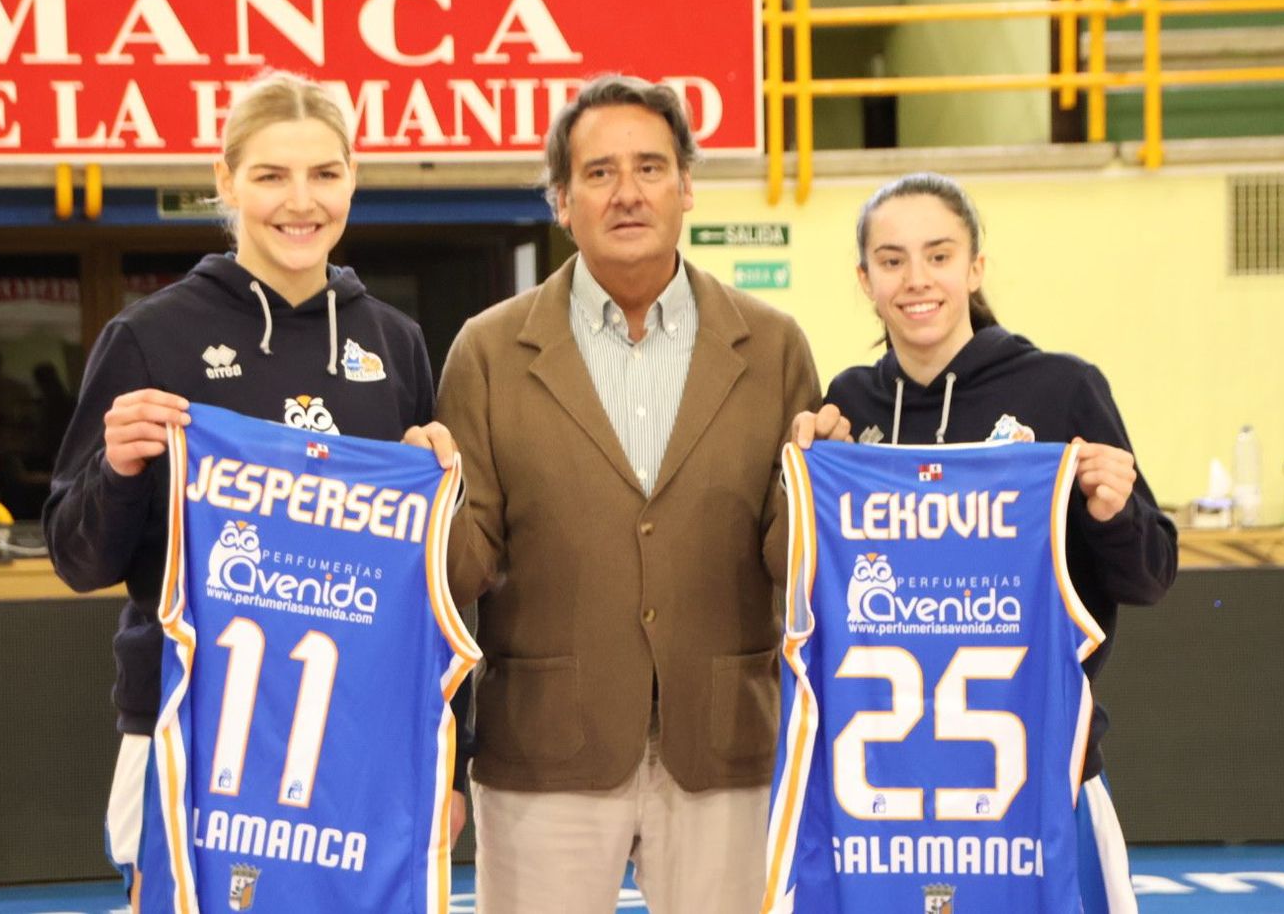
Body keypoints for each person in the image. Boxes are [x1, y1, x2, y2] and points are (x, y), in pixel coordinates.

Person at [41, 70, 459, 907]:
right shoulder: (150, 337)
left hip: (356, 736)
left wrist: (452, 751)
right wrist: (119, 469)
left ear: (353, 180)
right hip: (189, 725)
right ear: (226, 181)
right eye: (271, 175)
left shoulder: (398, 344)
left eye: (324, 174)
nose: (299, 202)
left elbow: (430, 585)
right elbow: (77, 557)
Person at [436, 74, 837, 913]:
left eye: (651, 167)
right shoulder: (488, 350)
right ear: (561, 199)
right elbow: (462, 568)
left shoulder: (773, 346)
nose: (627, 193)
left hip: (726, 742)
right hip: (546, 746)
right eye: (599, 173)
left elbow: (790, 559)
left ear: (687, 186)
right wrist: (423, 498)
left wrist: (821, 490)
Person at [802, 170, 1177, 913]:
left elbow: (1151, 574)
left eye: (939, 255)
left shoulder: (1063, 389)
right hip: (883, 801)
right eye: (892, 259)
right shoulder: (848, 404)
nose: (917, 279)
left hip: (1041, 782)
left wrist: (1113, 509)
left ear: (975, 268)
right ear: (865, 279)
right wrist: (804, 474)